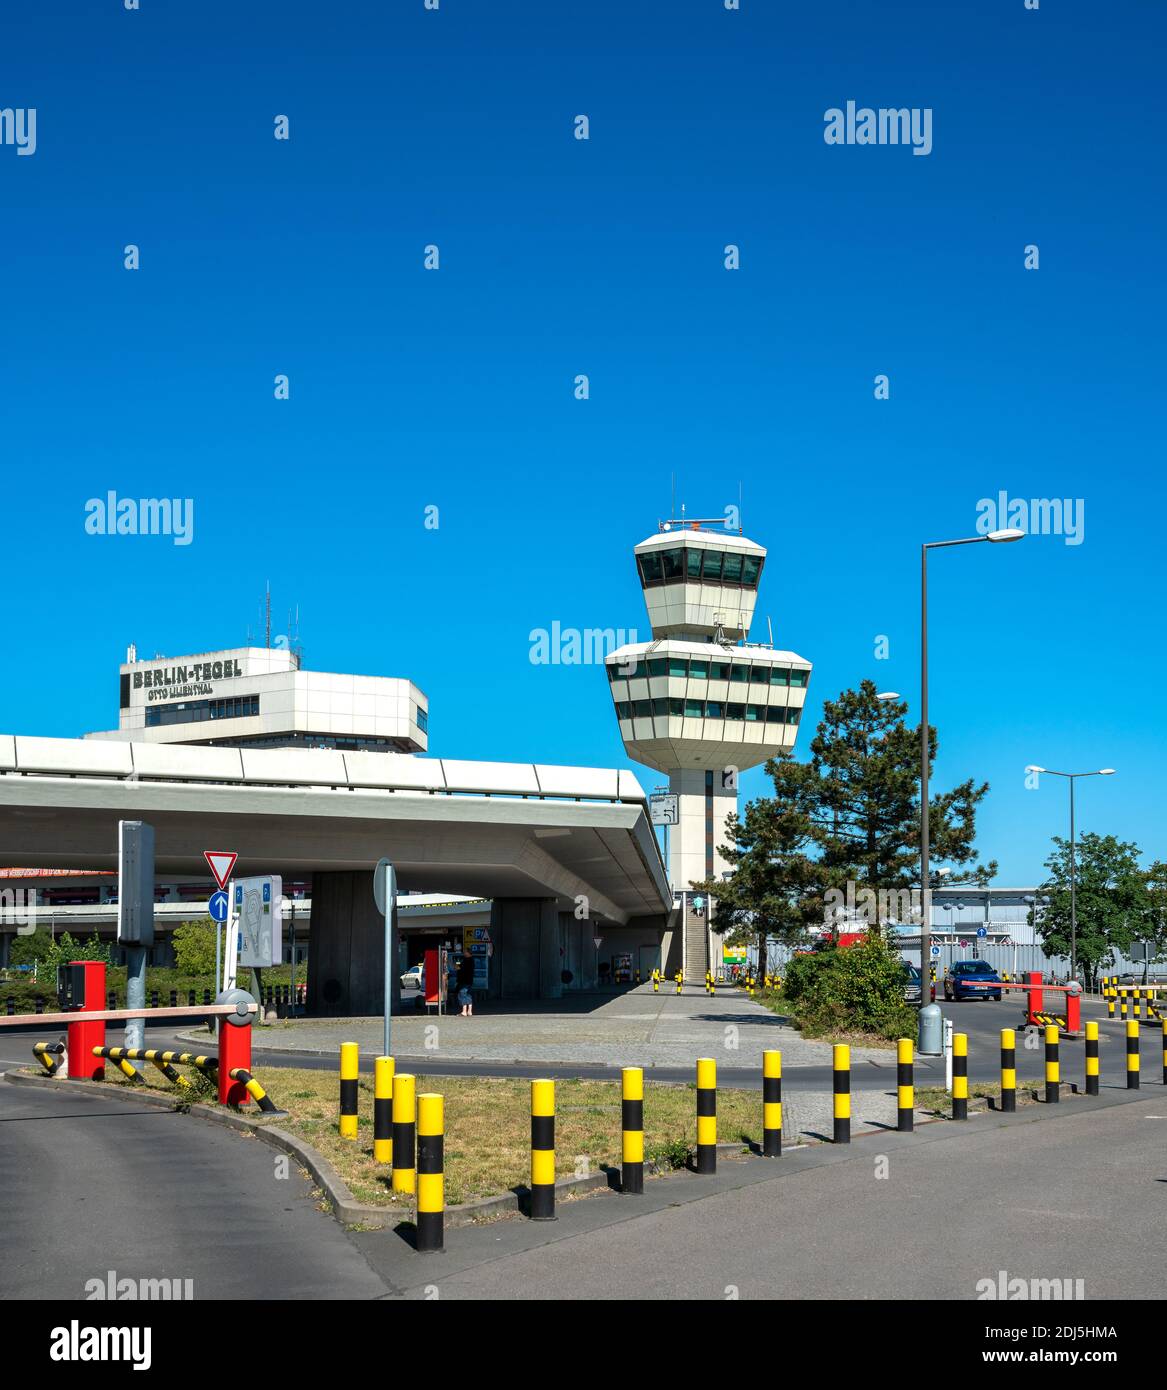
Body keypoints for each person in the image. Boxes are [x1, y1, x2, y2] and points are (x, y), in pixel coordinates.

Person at [456, 953, 476, 1017]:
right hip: (469, 981)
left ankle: (464, 1011)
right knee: (468, 995)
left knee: (462, 994)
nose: (464, 953)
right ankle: (469, 1011)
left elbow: (458, 968)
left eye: (465, 952)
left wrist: (457, 965)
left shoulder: (465, 961)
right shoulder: (472, 960)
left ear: (467, 953)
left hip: (464, 981)